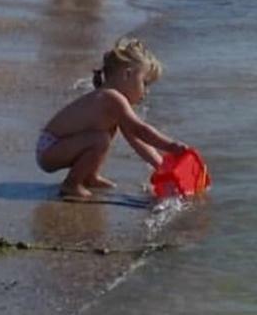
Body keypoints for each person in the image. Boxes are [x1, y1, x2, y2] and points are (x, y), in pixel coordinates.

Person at [35, 38, 188, 201]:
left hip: (58, 146)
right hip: (50, 148)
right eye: (145, 82)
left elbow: (137, 140)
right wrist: (170, 146)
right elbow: (140, 130)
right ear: (128, 74)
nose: (146, 92)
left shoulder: (113, 103)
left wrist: (162, 166)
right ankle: (71, 184)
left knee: (103, 135)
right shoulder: (111, 98)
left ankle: (89, 176)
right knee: (100, 140)